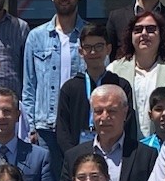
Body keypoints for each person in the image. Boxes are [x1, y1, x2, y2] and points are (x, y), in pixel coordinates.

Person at [59, 85, 158, 181]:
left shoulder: (146, 156)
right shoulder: (73, 156)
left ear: (125, 113)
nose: (104, 117)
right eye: (98, 111)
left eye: (111, 111)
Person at [56, 25, 135, 154]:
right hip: (78, 156)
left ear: (108, 49)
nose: (93, 52)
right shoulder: (70, 88)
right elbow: (62, 129)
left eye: (99, 46)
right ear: (81, 51)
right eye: (88, 47)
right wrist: (73, 156)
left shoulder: (121, 86)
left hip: (114, 153)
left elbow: (128, 122)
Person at [108, 10, 165, 142]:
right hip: (126, 147)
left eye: (151, 29)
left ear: (161, 35)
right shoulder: (114, 70)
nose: (144, 34)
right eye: (138, 30)